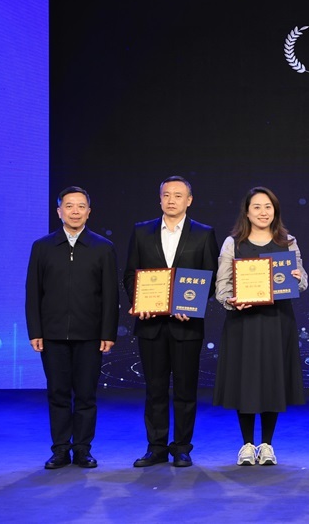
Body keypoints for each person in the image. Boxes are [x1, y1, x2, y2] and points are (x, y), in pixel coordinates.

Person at [124, 176, 219, 469]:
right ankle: (156, 448)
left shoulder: (203, 233)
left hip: (186, 325)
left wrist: (193, 305)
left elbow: (211, 277)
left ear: (189, 200)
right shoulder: (142, 231)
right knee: (154, 389)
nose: (171, 200)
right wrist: (140, 302)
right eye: (166, 195)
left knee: (185, 389)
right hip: (150, 325)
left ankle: (181, 448)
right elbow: (130, 274)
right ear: (160, 199)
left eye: (178, 195)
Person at [25, 186, 119, 470]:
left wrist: (108, 333)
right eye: (69, 206)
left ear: (89, 212)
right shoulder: (42, 247)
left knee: (86, 395)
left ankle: (82, 449)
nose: (75, 211)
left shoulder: (103, 247)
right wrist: (35, 331)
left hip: (90, 335)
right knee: (57, 393)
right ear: (59, 211)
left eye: (80, 206)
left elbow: (110, 294)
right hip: (52, 335)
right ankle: (60, 449)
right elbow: (33, 292)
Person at [214, 186, 308, 466]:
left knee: (271, 379)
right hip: (243, 322)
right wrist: (231, 301)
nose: (263, 212)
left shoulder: (288, 242)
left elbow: (302, 282)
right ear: (247, 212)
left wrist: (297, 277)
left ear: (275, 211)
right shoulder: (232, 243)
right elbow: (222, 286)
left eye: (268, 207)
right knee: (244, 380)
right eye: (256, 207)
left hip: (277, 321)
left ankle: (267, 444)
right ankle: (246, 444)